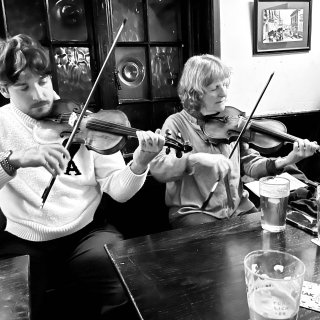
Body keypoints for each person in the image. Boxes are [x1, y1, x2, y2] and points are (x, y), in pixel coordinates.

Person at [0, 34, 165, 320]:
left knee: (127, 291)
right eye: (23, 87)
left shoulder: (86, 122)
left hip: (86, 231)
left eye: (42, 81)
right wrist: (15, 160)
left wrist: (139, 163)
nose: (38, 94)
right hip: (23, 239)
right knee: (13, 310)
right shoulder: (1, 125)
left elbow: (119, 191)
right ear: (5, 90)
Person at [150, 54, 318, 229]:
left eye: (225, 85)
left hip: (238, 208)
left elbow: (249, 163)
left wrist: (288, 160)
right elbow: (159, 168)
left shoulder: (230, 120)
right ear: (196, 93)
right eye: (215, 88)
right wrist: (194, 159)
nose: (224, 93)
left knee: (271, 236)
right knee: (219, 247)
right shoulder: (175, 123)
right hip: (195, 212)